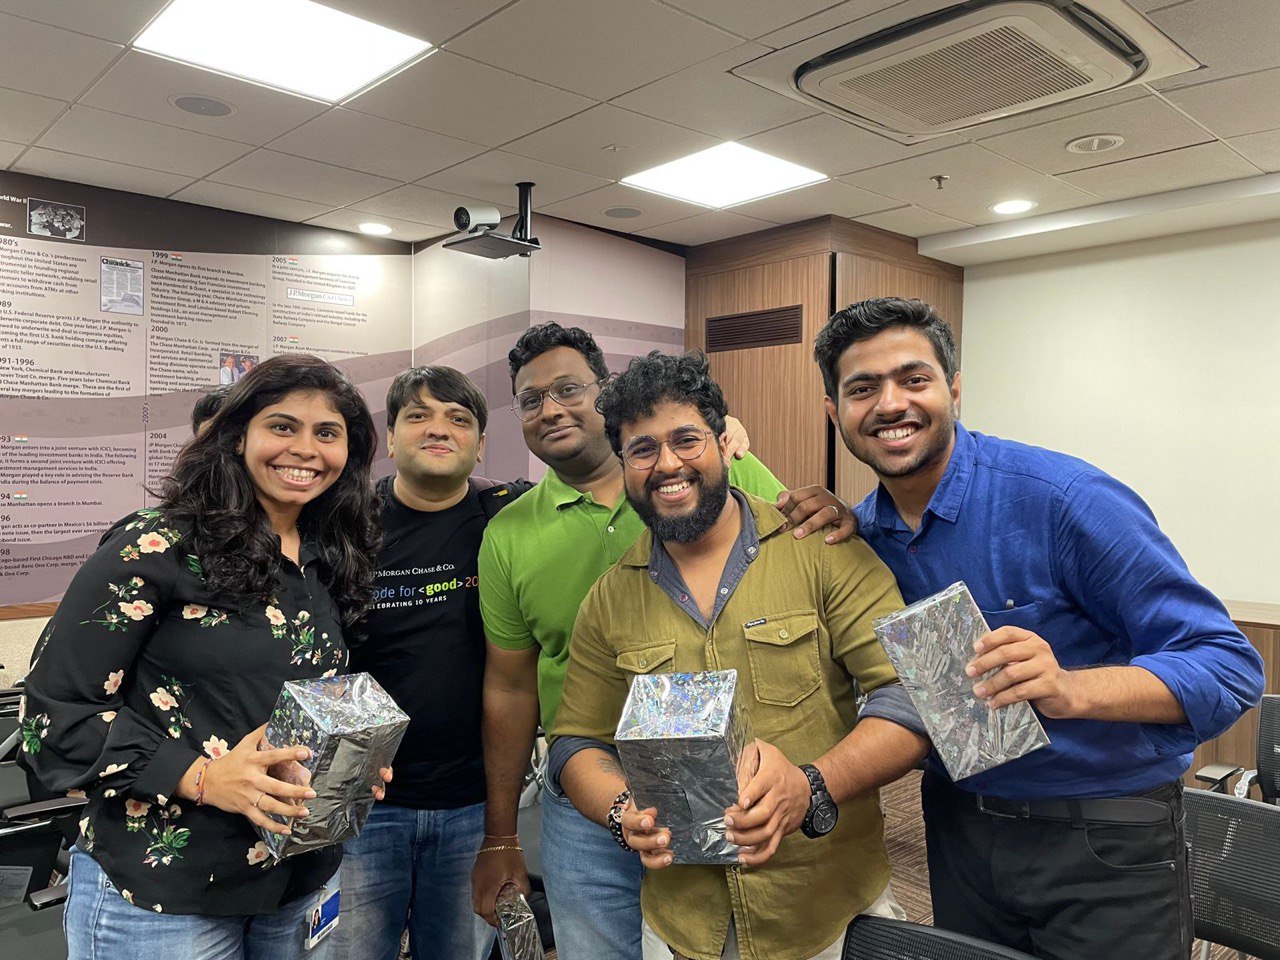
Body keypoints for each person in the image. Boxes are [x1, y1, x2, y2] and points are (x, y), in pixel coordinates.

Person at [813, 297, 1266, 960]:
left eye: (914, 379)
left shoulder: (1063, 499)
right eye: (862, 388)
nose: (890, 404)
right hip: (958, 831)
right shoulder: (864, 536)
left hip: (1104, 838)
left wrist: (1071, 689)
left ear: (954, 389)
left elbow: (1228, 666)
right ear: (835, 412)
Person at [472, 322, 858, 959]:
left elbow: (798, 531)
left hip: (721, 788)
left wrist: (843, 510)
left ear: (604, 394)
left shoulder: (702, 471)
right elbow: (509, 688)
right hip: (588, 800)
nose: (550, 409)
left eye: (568, 389)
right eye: (530, 399)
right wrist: (501, 834)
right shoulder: (508, 533)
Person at [550, 349, 931, 960]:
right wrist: (623, 812)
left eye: (686, 440)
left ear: (726, 442)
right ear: (622, 464)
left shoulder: (823, 551)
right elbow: (576, 740)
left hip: (825, 915)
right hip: (682, 924)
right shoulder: (610, 599)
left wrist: (811, 787)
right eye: (643, 450)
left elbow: (910, 693)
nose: (667, 464)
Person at [19, 354, 390, 959]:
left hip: (296, 883)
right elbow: (52, 715)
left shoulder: (330, 555)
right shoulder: (157, 544)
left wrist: (348, 761)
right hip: (166, 890)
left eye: (328, 433)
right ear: (238, 435)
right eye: (282, 426)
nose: (305, 449)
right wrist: (200, 776)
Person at [331, 366, 528, 960]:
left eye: (458, 419)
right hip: (360, 808)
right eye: (418, 416)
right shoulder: (341, 526)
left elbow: (611, 490)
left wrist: (730, 440)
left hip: (475, 808)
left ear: (481, 443)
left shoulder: (510, 517)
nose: (438, 429)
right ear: (389, 439)